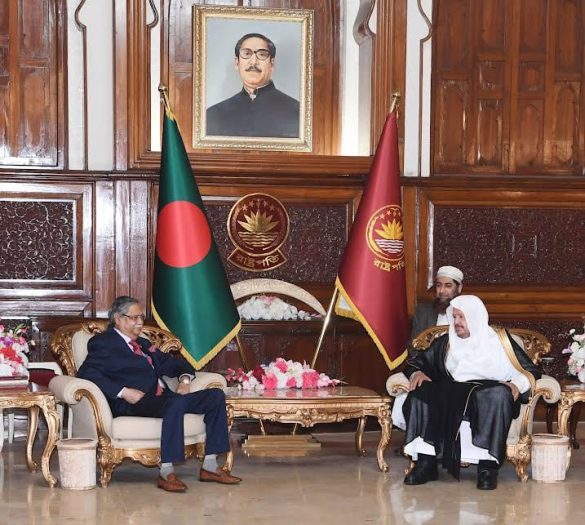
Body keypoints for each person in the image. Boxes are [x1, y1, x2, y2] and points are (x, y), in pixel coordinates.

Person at [77, 296, 241, 492]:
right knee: (174, 404)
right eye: (134, 317)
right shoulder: (103, 343)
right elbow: (86, 373)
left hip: (162, 399)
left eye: (141, 317)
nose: (140, 322)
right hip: (134, 402)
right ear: (118, 319)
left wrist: (184, 380)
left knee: (215, 396)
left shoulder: (144, 344)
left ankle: (210, 466)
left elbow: (176, 364)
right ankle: (166, 472)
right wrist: (123, 392)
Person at [395, 295, 540, 490]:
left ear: (475, 317)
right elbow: (416, 363)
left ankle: (487, 467)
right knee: (420, 392)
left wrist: (517, 384)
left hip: (485, 390)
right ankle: (426, 463)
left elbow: (531, 370)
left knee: (499, 395)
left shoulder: (501, 340)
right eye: (454, 317)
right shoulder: (447, 341)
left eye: (461, 317)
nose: (456, 322)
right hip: (450, 389)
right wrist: (417, 373)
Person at [206, 33, 300, 138]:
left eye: (262, 55)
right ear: (237, 63)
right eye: (247, 53)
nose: (253, 62)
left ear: (272, 64)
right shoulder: (213, 115)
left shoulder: (298, 112)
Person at [410, 265, 464, 340]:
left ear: (459, 288)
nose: (441, 291)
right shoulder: (423, 312)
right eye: (439, 285)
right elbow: (414, 344)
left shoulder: (467, 313)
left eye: (448, 286)